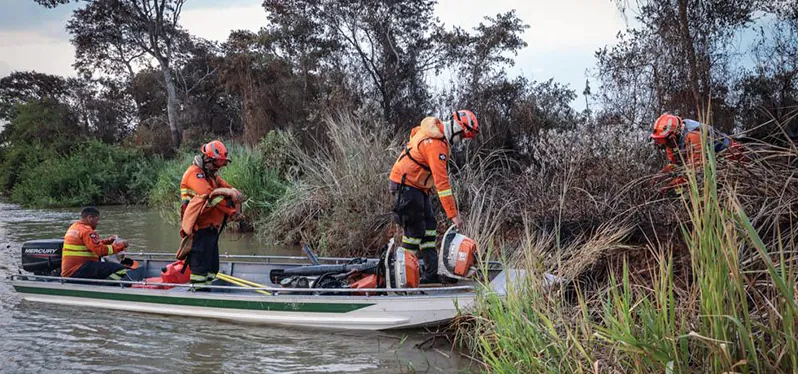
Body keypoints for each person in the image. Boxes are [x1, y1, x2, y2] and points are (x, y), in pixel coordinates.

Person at [389, 110, 479, 284]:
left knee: (429, 228)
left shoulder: (435, 133)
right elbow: (442, 184)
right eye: (461, 137)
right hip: (406, 185)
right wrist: (453, 215)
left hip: (418, 186)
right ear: (456, 128)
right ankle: (404, 279)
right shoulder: (436, 145)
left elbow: (414, 135)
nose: (460, 141)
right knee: (414, 233)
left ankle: (430, 273)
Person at [180, 140, 244, 285]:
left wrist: (235, 193)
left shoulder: (211, 176)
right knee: (200, 272)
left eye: (221, 164)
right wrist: (232, 211)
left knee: (212, 269)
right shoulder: (194, 174)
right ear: (207, 159)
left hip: (211, 230)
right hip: (199, 230)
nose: (218, 168)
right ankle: (197, 299)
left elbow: (227, 187)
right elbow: (210, 195)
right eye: (217, 164)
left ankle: (207, 293)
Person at [650, 113, 744, 193]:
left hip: (733, 157)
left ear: (673, 136)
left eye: (665, 142)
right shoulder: (672, 139)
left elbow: (695, 173)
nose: (665, 146)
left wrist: (669, 187)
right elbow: (675, 163)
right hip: (713, 161)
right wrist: (661, 174)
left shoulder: (694, 136)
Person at [61, 207, 130, 280]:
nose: (98, 222)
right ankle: (107, 286)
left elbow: (92, 245)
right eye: (97, 219)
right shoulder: (87, 231)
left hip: (71, 270)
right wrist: (121, 245)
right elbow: (100, 251)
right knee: (121, 269)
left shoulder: (74, 227)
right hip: (77, 269)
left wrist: (108, 241)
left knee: (103, 267)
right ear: (89, 218)